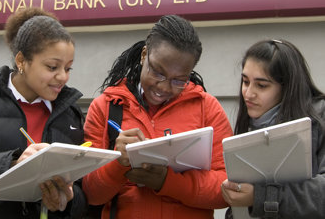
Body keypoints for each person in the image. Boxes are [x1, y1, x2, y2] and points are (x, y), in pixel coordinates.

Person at [83, 14, 233, 219]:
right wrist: (118, 164)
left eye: (179, 80)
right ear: (144, 55)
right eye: (157, 72)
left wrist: (168, 182)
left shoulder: (207, 108)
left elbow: (227, 189)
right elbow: (91, 194)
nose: (163, 87)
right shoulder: (107, 107)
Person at [0, 7, 87, 218]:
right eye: (52, 67)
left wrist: (68, 200)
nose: (63, 77)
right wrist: (11, 163)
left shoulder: (69, 115)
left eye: (68, 68)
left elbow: (81, 193)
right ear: (21, 61)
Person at [221, 39, 325, 218]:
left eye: (262, 85)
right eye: (245, 82)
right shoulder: (249, 127)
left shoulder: (320, 117)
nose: (249, 93)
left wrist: (261, 197)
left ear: (288, 88)